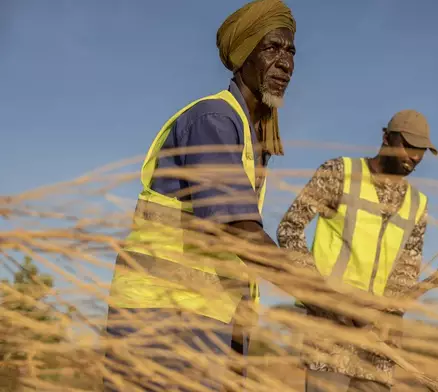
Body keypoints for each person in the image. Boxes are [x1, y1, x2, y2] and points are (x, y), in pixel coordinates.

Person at [102, 0, 296, 390]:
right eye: (272, 48)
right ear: (244, 54)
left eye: (291, 51)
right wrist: (327, 298)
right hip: (164, 316)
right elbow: (238, 231)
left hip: (206, 316)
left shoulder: (250, 135)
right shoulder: (215, 120)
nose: (286, 63)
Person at [277, 109, 438, 392]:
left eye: (421, 150)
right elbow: (290, 229)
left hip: (378, 342)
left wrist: (388, 314)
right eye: (408, 145)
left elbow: (407, 270)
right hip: (330, 329)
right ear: (386, 137)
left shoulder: (418, 203)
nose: (414, 157)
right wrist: (323, 299)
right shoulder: (339, 173)